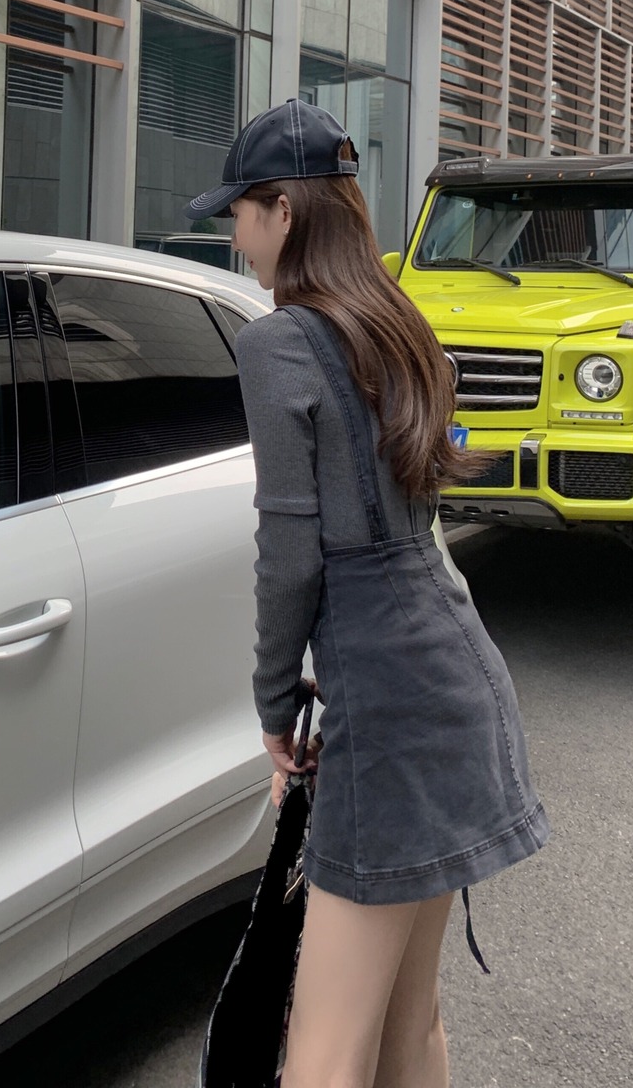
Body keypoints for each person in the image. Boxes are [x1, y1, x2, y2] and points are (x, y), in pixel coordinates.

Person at [185, 99, 549, 1088]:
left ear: (283, 210)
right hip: (456, 671)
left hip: (388, 703)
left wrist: (273, 704)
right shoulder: (395, 322)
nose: (235, 234)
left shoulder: (277, 342)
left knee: (324, 1048)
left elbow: (290, 551)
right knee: (408, 1026)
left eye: (239, 212)